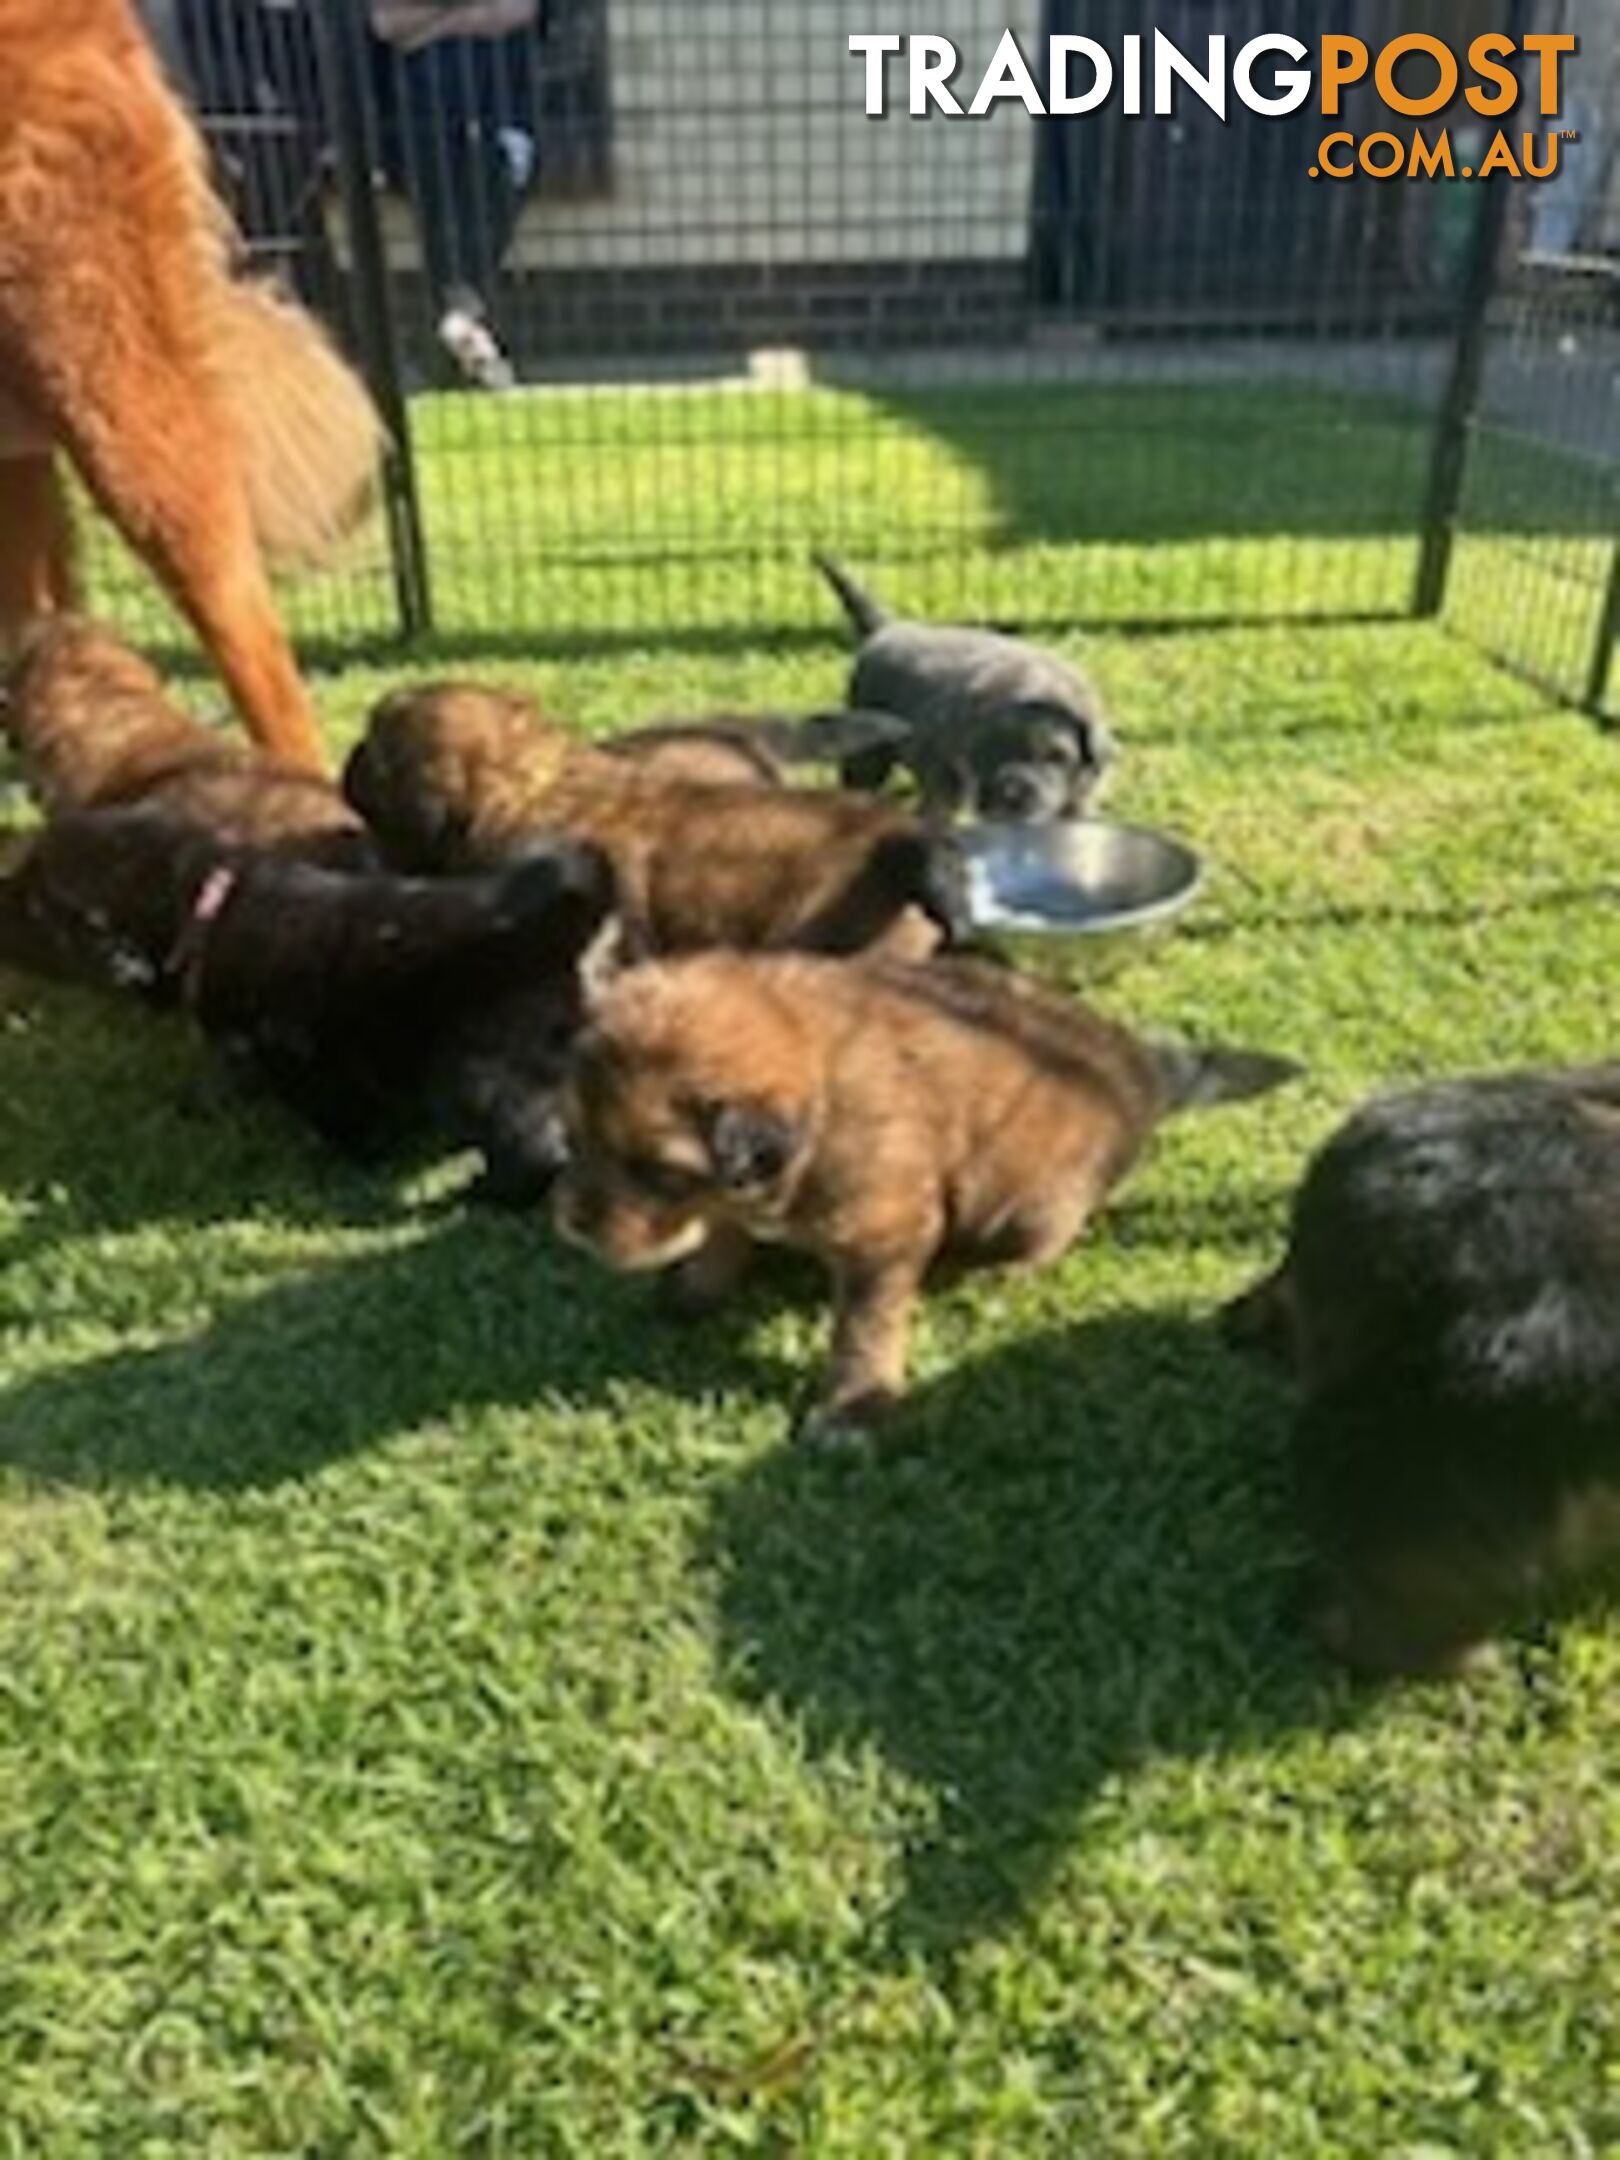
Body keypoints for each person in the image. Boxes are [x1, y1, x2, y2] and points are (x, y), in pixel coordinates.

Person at [369, 0, 543, 390]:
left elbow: (518, 9)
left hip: (501, 108)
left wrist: (429, 23)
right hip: (417, 118)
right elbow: (385, 24)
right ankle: (461, 328)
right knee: (440, 205)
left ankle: (457, 323)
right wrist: (471, 14)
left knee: (494, 180)